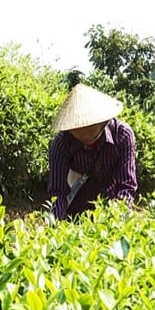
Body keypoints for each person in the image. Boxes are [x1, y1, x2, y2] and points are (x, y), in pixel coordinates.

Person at [46, 84, 137, 220]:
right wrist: (56, 225)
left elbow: (125, 187)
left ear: (103, 122)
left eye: (88, 127)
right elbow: (57, 193)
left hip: (110, 211)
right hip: (74, 213)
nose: (83, 132)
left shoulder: (122, 136)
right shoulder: (62, 143)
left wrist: (114, 220)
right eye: (78, 127)